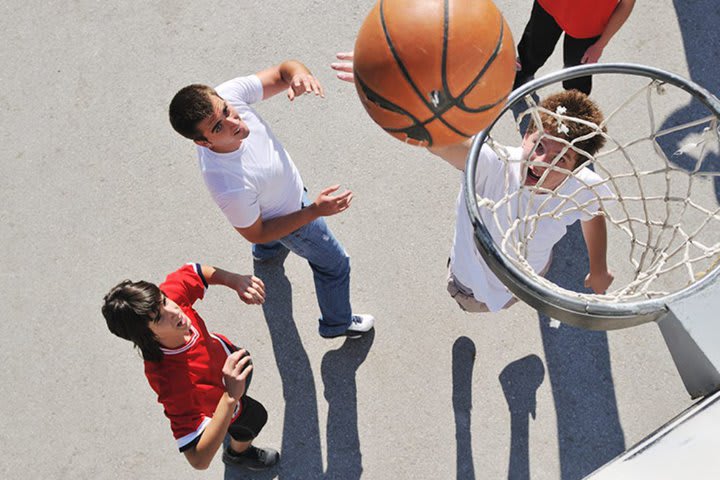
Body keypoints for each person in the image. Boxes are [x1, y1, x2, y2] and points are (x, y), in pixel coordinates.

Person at [331, 55, 613, 312]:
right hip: (472, 285)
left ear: (577, 169)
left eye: (560, 160)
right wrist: (399, 91)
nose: (542, 162)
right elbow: (436, 140)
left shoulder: (584, 186)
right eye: (539, 145)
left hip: (530, 275)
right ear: (526, 134)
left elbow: (594, 213)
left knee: (526, 276)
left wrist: (598, 266)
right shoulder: (492, 166)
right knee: (472, 302)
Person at [168, 60, 374, 339]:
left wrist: (300, 75)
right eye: (218, 127)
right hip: (295, 219)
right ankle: (337, 323)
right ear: (203, 143)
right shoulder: (230, 187)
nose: (234, 121)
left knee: (266, 236)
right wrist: (315, 211)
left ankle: (266, 257)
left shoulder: (227, 95)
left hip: (276, 200)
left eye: (227, 110)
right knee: (335, 264)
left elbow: (282, 72)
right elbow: (259, 232)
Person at [101, 263, 278, 470]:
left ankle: (220, 431)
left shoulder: (169, 301)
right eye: (159, 318)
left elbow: (195, 271)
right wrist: (230, 397)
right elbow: (198, 460)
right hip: (224, 400)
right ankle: (237, 454)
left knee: (245, 364)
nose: (173, 311)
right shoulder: (172, 385)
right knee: (255, 418)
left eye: (164, 301)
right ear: (147, 336)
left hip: (230, 362)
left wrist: (233, 280)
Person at [514, 0, 636, 95]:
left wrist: (600, 45)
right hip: (549, 6)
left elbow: (626, 4)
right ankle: (521, 75)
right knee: (531, 51)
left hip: (588, 27)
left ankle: (571, 115)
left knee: (576, 81)